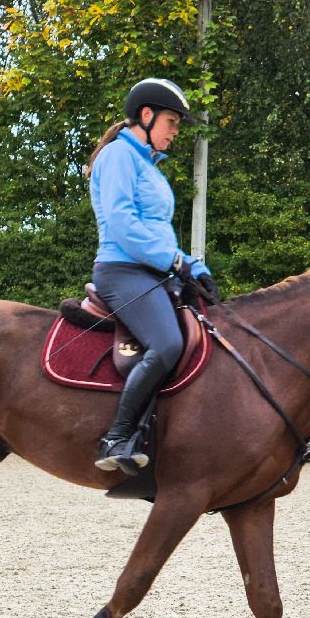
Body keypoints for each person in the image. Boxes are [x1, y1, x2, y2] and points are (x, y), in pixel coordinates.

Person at [87, 78, 219, 474]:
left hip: (153, 270)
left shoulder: (146, 164)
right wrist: (176, 262)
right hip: (122, 269)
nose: (176, 131)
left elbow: (156, 232)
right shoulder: (117, 158)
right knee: (166, 343)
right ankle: (118, 435)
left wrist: (191, 265)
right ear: (146, 116)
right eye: (171, 122)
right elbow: (125, 226)